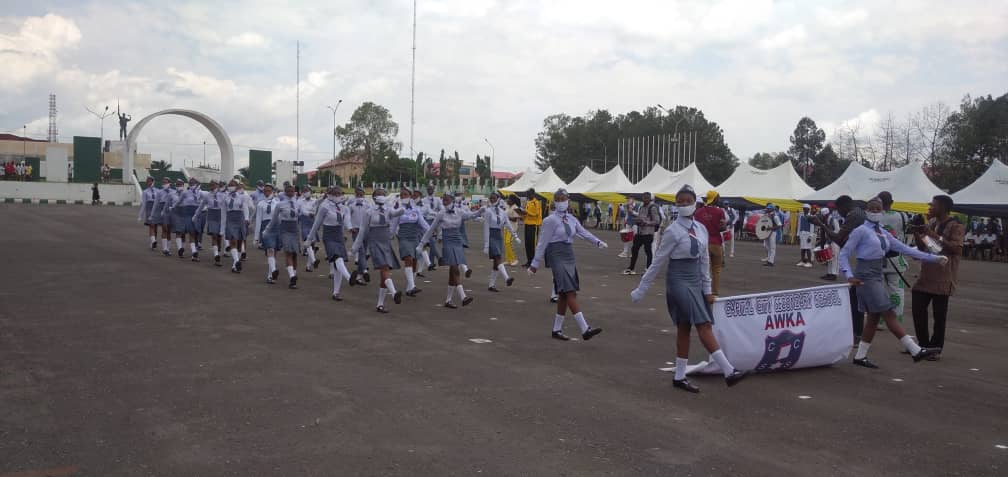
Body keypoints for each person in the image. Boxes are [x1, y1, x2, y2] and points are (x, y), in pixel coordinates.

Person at [630, 185, 749, 392]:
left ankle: (679, 377)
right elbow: (658, 261)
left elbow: (704, 263)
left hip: (695, 279)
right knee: (703, 324)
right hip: (678, 280)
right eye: (680, 201)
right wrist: (642, 288)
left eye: (687, 200)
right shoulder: (672, 231)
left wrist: (707, 289)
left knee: (684, 328)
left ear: (695, 203)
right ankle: (729, 371)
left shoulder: (701, 229)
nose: (683, 204)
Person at [840, 197, 948, 369]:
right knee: (888, 312)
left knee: (874, 317)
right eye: (872, 208)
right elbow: (844, 253)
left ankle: (860, 356)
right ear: (866, 211)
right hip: (865, 276)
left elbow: (904, 249)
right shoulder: (860, 231)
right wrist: (848, 275)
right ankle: (915, 350)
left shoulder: (882, 232)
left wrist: (934, 258)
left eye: (878, 209)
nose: (875, 211)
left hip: (877, 274)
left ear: (883, 211)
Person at [529, 188, 607, 341]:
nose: (561, 202)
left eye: (563, 199)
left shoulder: (571, 219)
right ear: (554, 202)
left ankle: (556, 330)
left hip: (568, 254)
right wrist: (535, 263)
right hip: (556, 253)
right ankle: (585, 329)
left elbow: (583, 232)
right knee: (570, 291)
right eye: (558, 199)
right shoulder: (549, 221)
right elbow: (542, 243)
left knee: (565, 293)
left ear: (568, 201)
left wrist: (597, 242)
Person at [910, 195, 965, 359]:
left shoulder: (956, 225)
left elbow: (956, 248)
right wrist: (917, 233)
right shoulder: (932, 223)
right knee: (917, 308)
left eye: (933, 205)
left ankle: (935, 349)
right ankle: (924, 345)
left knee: (939, 316)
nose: (930, 208)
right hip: (927, 275)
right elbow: (924, 247)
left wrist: (932, 234)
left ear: (942, 207)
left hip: (944, 276)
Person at [814, 195, 866, 338]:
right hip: (865, 259)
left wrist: (821, 224)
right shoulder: (859, 212)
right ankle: (858, 332)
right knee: (856, 297)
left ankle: (858, 333)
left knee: (857, 298)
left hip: (867, 261)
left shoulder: (854, 215)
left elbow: (838, 238)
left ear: (844, 206)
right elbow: (844, 243)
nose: (838, 212)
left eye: (838, 209)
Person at [419, 192, 482, 309]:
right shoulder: (441, 213)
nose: (444, 202)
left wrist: (480, 211)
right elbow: (430, 229)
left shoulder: (459, 211)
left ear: (452, 200)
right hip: (447, 242)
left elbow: (471, 216)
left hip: (457, 241)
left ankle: (448, 300)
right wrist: (422, 243)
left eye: (447, 200)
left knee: (452, 272)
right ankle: (463, 297)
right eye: (443, 200)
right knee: (455, 269)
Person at [351, 188, 407, 312]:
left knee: (384, 273)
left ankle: (380, 304)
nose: (381, 196)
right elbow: (362, 231)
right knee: (384, 268)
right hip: (375, 242)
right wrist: (355, 248)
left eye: (383, 194)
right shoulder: (369, 212)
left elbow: (400, 212)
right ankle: (394, 293)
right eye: (379, 194)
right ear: (374, 197)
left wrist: (402, 200)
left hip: (386, 242)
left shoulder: (388, 210)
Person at [306, 186, 354, 300]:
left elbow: (347, 220)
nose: (338, 196)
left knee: (339, 263)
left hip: (339, 234)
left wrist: (350, 228)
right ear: (330, 194)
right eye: (335, 194)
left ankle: (336, 292)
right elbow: (316, 224)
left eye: (339, 194)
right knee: (337, 257)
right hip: (329, 235)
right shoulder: (324, 206)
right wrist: (309, 239)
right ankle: (349, 277)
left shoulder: (344, 208)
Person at [262, 184, 304, 289]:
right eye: (288, 191)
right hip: (285, 230)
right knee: (288, 253)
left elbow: (302, 216)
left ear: (294, 192)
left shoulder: (298, 203)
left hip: (295, 230)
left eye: (292, 191)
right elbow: (274, 219)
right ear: (285, 192)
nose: (290, 193)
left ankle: (294, 275)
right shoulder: (280, 205)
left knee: (295, 254)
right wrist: (267, 230)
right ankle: (292, 277)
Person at [392, 187, 430, 297]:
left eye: (405, 194)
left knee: (414, 261)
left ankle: (409, 288)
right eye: (401, 195)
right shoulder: (397, 208)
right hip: (403, 236)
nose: (403, 196)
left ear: (409, 195)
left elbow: (422, 222)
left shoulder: (416, 208)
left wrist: (430, 231)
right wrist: (389, 235)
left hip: (414, 237)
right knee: (408, 258)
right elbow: (394, 225)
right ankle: (412, 286)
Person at [481, 192, 521, 292]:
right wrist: (486, 244)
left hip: (499, 236)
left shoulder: (502, 212)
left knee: (496, 262)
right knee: (498, 257)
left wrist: (515, 236)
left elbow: (508, 225)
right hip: (491, 236)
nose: (492, 200)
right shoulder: (488, 211)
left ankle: (491, 285)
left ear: (498, 199)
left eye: (494, 198)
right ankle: (507, 278)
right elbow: (486, 228)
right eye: (491, 198)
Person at [693, 190, 727, 296]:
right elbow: (722, 228)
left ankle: (701, 292)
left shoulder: (698, 212)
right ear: (714, 198)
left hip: (702, 243)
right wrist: (723, 225)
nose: (719, 199)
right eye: (718, 197)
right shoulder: (720, 212)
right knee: (716, 270)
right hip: (716, 243)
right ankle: (714, 293)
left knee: (702, 269)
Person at [624, 193, 660, 275]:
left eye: (646, 198)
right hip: (640, 232)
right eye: (643, 198)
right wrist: (638, 221)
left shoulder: (653, 208)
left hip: (648, 233)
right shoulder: (641, 207)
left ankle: (648, 269)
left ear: (650, 199)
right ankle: (631, 268)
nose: (645, 200)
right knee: (634, 249)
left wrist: (646, 222)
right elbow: (640, 217)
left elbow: (657, 221)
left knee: (648, 251)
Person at [253, 184, 281, 283]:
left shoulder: (278, 202)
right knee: (270, 249)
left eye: (268, 191)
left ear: (272, 191)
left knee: (274, 252)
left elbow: (280, 217)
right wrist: (256, 237)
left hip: (276, 227)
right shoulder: (260, 204)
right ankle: (273, 271)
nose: (266, 192)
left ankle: (270, 275)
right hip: (266, 228)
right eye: (265, 191)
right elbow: (258, 220)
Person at [194, 180, 227, 266]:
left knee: (219, 236)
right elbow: (201, 206)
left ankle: (218, 254)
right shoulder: (207, 195)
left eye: (214, 184)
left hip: (220, 216)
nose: (212, 186)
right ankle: (216, 255)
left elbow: (227, 207)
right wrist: (196, 215)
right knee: (214, 235)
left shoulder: (223, 195)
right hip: (211, 216)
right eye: (210, 184)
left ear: (217, 185)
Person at [223, 179, 251, 273]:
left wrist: (247, 218)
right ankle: (237, 261)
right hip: (230, 219)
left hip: (240, 219)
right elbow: (223, 212)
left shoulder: (242, 197)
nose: (231, 186)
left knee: (239, 243)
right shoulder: (225, 197)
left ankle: (235, 266)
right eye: (229, 185)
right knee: (233, 240)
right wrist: (222, 226)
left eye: (233, 185)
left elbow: (245, 208)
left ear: (237, 186)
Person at [348, 185, 372, 284]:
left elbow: (372, 216)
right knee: (361, 251)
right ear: (355, 194)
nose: (359, 195)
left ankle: (359, 276)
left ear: (364, 194)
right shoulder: (351, 205)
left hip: (366, 230)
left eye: (361, 193)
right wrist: (350, 227)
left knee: (364, 252)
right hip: (356, 230)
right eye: (357, 193)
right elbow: (347, 217)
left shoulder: (368, 204)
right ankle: (365, 270)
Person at [298, 187, 320, 272]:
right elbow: (302, 211)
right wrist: (309, 213)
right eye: (304, 191)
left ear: (311, 191)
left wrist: (311, 212)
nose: (306, 192)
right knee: (308, 242)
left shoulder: (314, 200)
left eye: (307, 191)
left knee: (312, 244)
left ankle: (308, 266)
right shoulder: (300, 201)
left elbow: (315, 209)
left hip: (312, 222)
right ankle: (314, 260)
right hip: (305, 223)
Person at [421, 185, 443, 271]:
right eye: (429, 189)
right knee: (432, 241)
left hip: (436, 221)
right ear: (427, 190)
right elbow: (427, 211)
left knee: (433, 241)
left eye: (431, 189)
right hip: (428, 221)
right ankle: (439, 257)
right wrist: (436, 213)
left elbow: (441, 208)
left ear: (433, 190)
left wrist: (438, 213)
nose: (430, 190)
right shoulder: (424, 200)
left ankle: (432, 263)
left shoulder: (437, 199)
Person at [815, 207, 841, 280]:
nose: (822, 217)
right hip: (829, 242)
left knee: (835, 258)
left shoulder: (834, 220)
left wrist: (830, 237)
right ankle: (829, 273)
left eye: (823, 215)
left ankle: (834, 274)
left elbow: (837, 231)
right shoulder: (825, 220)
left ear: (827, 214)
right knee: (829, 258)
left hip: (835, 241)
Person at [521, 188, 543, 268]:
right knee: (527, 244)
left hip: (534, 225)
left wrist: (527, 212)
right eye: (527, 195)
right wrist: (522, 214)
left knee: (533, 244)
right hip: (527, 224)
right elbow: (527, 214)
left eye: (529, 194)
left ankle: (533, 263)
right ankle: (529, 261)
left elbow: (536, 214)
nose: (527, 196)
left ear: (533, 194)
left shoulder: (536, 203)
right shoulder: (528, 202)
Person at [138, 177, 158, 249]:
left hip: (156, 209)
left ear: (153, 182)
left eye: (150, 181)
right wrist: (140, 215)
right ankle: (153, 241)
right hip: (149, 209)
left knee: (155, 227)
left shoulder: (158, 191)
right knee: (151, 225)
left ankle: (153, 242)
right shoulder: (145, 192)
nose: (149, 182)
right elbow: (143, 203)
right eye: (147, 181)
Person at [504, 195, 522, 266]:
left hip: (512, 228)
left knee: (508, 243)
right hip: (506, 227)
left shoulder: (515, 207)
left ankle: (514, 259)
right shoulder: (508, 207)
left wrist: (506, 218)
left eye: (509, 199)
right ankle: (508, 260)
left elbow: (516, 219)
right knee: (506, 243)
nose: (507, 200)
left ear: (512, 201)